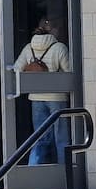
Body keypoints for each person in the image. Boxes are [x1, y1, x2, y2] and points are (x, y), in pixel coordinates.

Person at [12, 14, 71, 165]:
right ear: (53, 30)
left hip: (36, 98)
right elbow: (69, 73)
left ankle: (34, 170)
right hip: (57, 98)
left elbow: (16, 69)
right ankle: (65, 173)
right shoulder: (59, 47)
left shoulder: (28, 48)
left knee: (40, 138)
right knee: (62, 138)